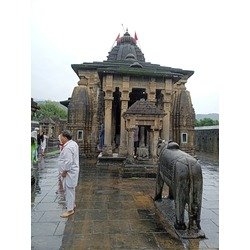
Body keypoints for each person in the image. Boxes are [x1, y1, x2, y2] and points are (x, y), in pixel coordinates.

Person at [58, 130, 79, 218]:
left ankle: (70, 210)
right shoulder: (73, 143)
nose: (60, 138)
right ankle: (72, 204)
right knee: (71, 189)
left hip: (68, 172)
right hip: (73, 171)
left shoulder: (68, 148)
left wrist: (64, 172)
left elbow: (68, 162)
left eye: (61, 137)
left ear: (65, 137)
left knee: (68, 190)